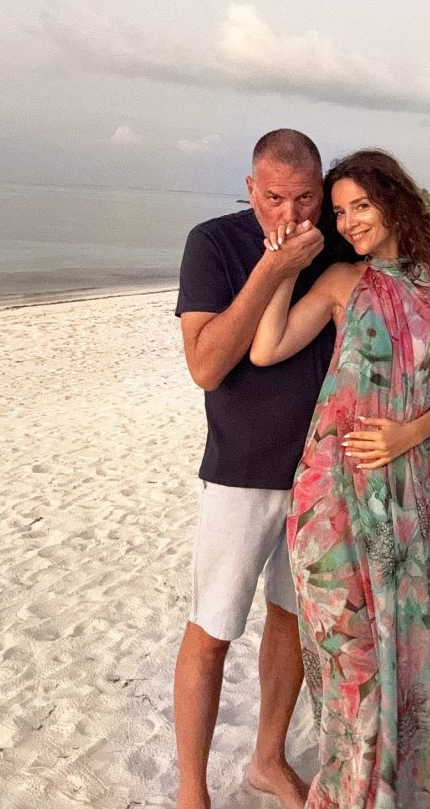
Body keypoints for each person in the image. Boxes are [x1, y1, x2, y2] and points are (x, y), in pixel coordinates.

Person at [250, 150, 430, 809]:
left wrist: (406, 435)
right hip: (337, 489)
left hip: (421, 484)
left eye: (360, 205)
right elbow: (266, 348)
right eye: (339, 212)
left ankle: (406, 787)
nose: (349, 221)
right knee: (352, 656)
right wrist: (282, 269)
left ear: (393, 201)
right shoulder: (341, 280)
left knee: (417, 642)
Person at [173, 129, 335, 809]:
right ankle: (191, 791)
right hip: (241, 470)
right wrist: (272, 268)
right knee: (212, 630)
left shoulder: (340, 240)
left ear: (322, 191)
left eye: (305, 199)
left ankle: (267, 759)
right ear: (250, 190)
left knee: (291, 621)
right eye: (274, 199)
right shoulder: (214, 243)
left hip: (323, 475)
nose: (291, 216)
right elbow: (206, 366)